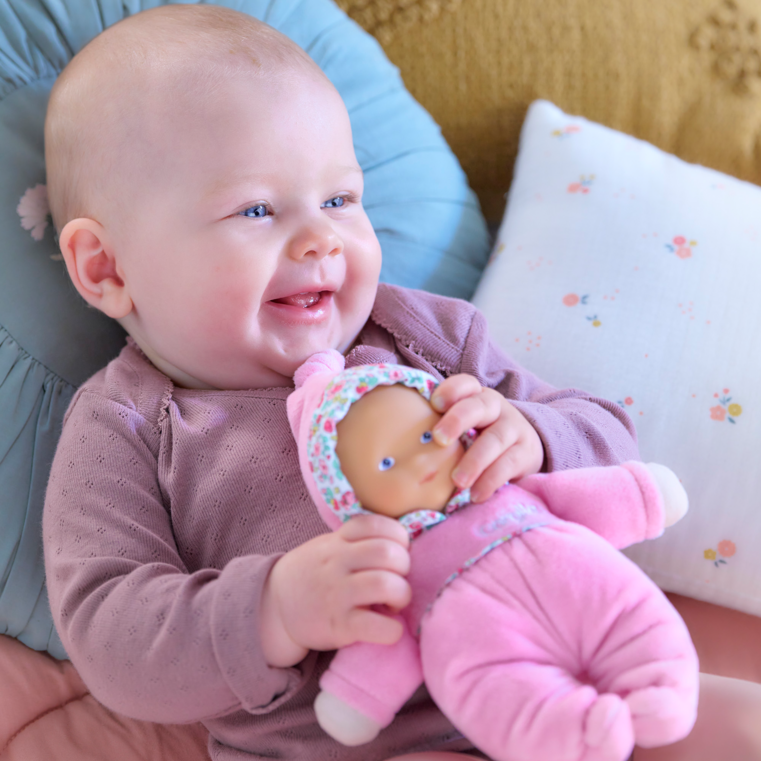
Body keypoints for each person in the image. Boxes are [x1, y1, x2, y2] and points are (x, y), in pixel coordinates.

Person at [40, 4, 754, 761]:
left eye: (341, 199)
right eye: (255, 209)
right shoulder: (125, 426)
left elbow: (607, 433)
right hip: (369, 737)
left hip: (578, 667)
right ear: (106, 268)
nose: (321, 237)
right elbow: (111, 635)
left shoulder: (418, 334)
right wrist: (275, 610)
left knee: (736, 724)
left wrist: (533, 436)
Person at [286, 352, 698, 761]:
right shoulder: (395, 566)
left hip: (581, 585)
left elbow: (581, 496)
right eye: (387, 463)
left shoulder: (510, 487)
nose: (421, 460)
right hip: (485, 645)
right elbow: (388, 639)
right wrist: (357, 696)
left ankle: (661, 687)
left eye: (428, 436)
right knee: (498, 688)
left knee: (626, 610)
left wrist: (642, 494)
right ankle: (574, 736)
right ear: (346, 496)